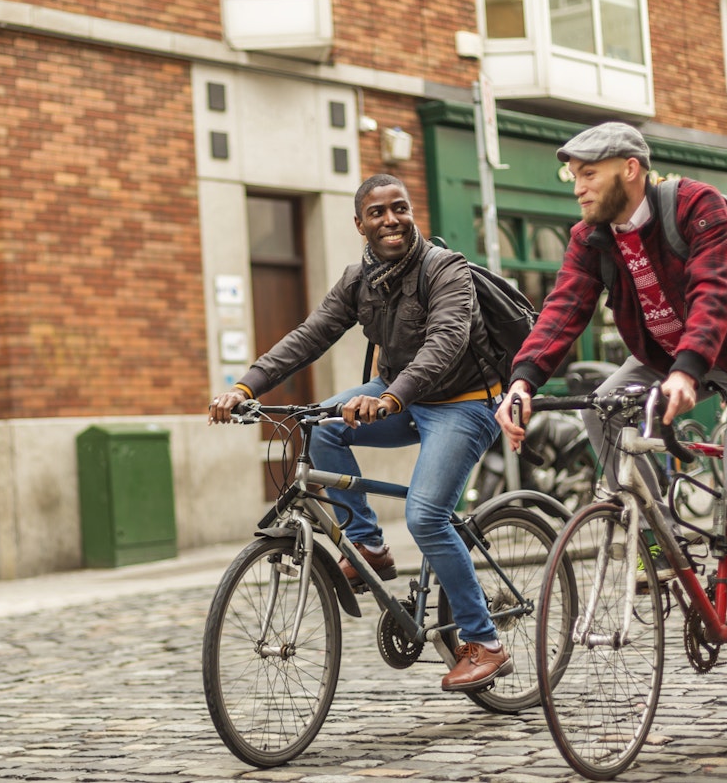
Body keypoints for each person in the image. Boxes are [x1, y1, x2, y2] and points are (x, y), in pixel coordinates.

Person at [493, 122, 727, 693]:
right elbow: (564, 307)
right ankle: (659, 539)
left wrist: (690, 369)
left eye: (589, 174)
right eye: (574, 176)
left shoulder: (695, 205)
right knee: (600, 406)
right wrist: (521, 381)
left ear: (630, 168)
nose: (579, 188)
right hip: (667, 360)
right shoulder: (592, 237)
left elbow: (713, 290)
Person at [208, 174, 512, 693]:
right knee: (322, 426)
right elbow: (310, 334)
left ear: (412, 213)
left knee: (426, 515)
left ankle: (484, 640)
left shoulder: (445, 269)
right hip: (396, 393)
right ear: (359, 225)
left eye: (400, 208)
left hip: (462, 402)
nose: (390, 219)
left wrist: (391, 396)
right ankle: (368, 546)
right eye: (377, 213)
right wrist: (245, 385)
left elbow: (445, 341)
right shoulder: (360, 278)